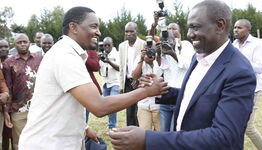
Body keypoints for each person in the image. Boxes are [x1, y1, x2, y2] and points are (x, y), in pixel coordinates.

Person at [109, 0, 256, 150]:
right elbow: (196, 97)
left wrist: (148, 139)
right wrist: (162, 90)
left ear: (220, 25)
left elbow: (224, 137)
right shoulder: (198, 57)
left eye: (195, 27)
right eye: (188, 27)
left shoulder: (239, 72)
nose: (189, 34)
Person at [18, 6, 168, 150]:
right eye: (93, 26)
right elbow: (99, 106)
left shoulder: (67, 53)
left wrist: (84, 127)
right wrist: (146, 92)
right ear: (74, 27)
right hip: (48, 145)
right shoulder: (65, 56)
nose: (99, 33)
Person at [2, 33, 43, 150]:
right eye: (19, 42)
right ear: (15, 45)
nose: (23, 44)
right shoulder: (8, 63)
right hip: (18, 110)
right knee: (19, 143)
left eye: (25, 41)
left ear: (29, 42)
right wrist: (6, 111)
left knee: (39, 141)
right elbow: (8, 88)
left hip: (39, 108)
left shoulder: (40, 59)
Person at [233, 19, 262, 150]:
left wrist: (238, 62)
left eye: (239, 28)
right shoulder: (233, 44)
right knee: (236, 124)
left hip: (252, 90)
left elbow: (259, 68)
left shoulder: (257, 44)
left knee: (248, 127)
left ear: (248, 30)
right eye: (235, 27)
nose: (236, 30)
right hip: (236, 90)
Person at [119, 22, 146, 126]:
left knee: (139, 111)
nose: (128, 34)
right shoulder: (122, 46)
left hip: (140, 82)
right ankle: (130, 135)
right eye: (126, 31)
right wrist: (122, 86)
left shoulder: (143, 44)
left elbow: (145, 64)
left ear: (136, 32)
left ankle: (139, 135)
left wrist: (138, 80)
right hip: (127, 83)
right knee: (129, 112)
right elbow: (122, 68)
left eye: (131, 31)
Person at [132, 46, 162, 131]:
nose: (150, 52)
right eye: (148, 49)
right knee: (144, 132)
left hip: (159, 103)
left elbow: (162, 74)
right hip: (143, 102)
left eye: (152, 49)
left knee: (160, 132)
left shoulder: (160, 57)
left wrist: (155, 58)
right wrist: (142, 59)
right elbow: (134, 76)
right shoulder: (140, 57)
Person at [99, 37, 120, 130]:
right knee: (107, 106)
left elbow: (120, 68)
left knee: (112, 104)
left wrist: (109, 61)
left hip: (115, 83)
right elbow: (100, 71)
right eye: (105, 45)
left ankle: (112, 126)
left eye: (108, 45)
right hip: (105, 83)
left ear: (112, 44)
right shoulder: (102, 55)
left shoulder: (117, 54)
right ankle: (110, 124)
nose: (107, 47)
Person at [0, 39, 13, 150]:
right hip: (1, 104)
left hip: (12, 104)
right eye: (1, 47)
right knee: (3, 134)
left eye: (6, 46)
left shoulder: (13, 61)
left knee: (12, 133)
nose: (3, 49)